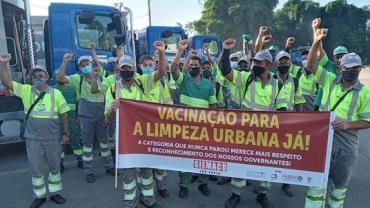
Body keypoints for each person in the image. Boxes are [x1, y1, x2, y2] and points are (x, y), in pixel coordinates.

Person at [304, 25, 370, 208]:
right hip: (323, 140)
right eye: (349, 68)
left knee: (339, 187)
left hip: (346, 145)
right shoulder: (329, 80)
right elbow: (310, 65)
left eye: (357, 69)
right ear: (340, 67)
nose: (353, 71)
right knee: (316, 184)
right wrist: (316, 42)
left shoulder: (365, 93)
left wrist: (349, 124)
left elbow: (368, 120)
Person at [220, 39, 288, 208]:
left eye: (259, 62)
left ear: (269, 64)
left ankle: (262, 194)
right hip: (244, 132)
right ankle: (236, 194)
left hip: (266, 135)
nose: (255, 64)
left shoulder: (278, 84)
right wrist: (226, 51)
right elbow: (226, 71)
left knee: (265, 165)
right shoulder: (245, 78)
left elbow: (282, 110)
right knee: (240, 164)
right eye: (254, 61)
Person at [1, 54, 70, 208]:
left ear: (46, 76)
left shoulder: (55, 93)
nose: (38, 76)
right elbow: (6, 82)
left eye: (41, 74)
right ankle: (39, 196)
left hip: (52, 138)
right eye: (35, 75)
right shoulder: (26, 90)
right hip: (33, 139)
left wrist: (66, 133)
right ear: (32, 78)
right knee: (36, 169)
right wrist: (3, 64)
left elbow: (64, 113)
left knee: (54, 167)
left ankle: (55, 193)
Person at [105, 41, 167, 208]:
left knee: (146, 171)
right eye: (124, 68)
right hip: (125, 139)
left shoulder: (142, 82)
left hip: (143, 136)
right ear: (119, 70)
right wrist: (112, 109)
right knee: (129, 173)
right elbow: (106, 119)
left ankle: (148, 200)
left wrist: (161, 53)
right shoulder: (112, 89)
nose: (127, 71)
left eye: (129, 68)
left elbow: (161, 72)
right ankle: (130, 203)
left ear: (134, 69)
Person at [57, 43, 115, 183]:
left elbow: (97, 61)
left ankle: (109, 166)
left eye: (86, 63)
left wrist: (93, 50)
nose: (85, 66)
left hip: (102, 115)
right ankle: (88, 171)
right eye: (82, 65)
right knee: (87, 146)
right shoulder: (77, 79)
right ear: (80, 68)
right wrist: (65, 62)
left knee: (104, 143)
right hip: (86, 117)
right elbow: (60, 78)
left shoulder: (100, 74)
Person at [171, 39, 217, 199]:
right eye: (190, 66)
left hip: (204, 130)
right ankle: (183, 185)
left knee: (204, 158)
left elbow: (213, 107)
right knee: (185, 158)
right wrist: (180, 51)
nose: (193, 68)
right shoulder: (183, 80)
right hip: (184, 129)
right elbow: (173, 69)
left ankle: (203, 183)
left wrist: (214, 126)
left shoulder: (208, 85)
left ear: (201, 68)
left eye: (195, 66)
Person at [52, 68, 83, 172]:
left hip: (72, 120)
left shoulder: (72, 89)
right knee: (60, 143)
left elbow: (78, 103)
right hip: (59, 121)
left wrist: (79, 117)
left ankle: (80, 160)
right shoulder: (53, 90)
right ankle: (60, 163)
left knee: (76, 141)